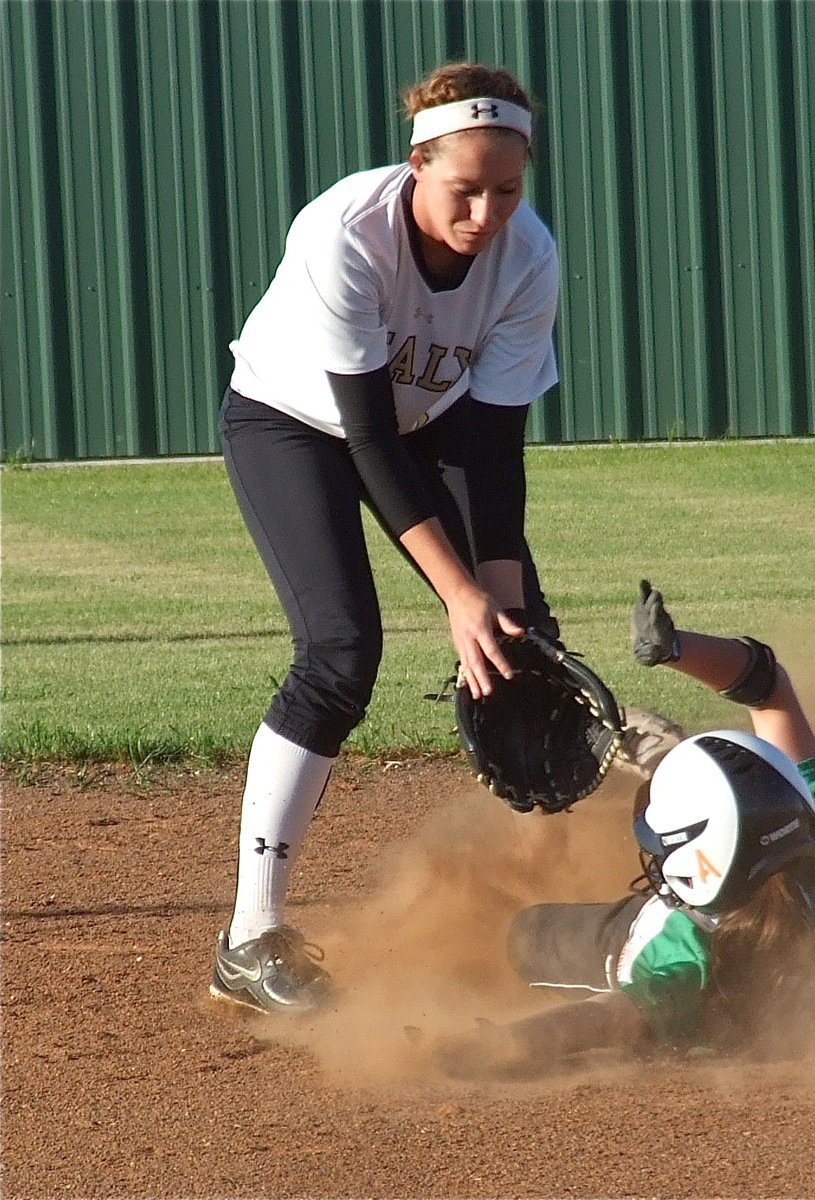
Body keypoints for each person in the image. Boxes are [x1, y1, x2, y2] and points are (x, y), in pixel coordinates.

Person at [210, 62, 563, 1016]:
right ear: (417, 166)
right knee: (339, 652)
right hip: (293, 423)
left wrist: (499, 598)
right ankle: (249, 940)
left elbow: (491, 448)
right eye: (466, 188)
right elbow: (365, 436)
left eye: (508, 188)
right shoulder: (346, 230)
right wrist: (456, 597)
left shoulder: (528, 256)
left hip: (435, 429)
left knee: (527, 646)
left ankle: (549, 902)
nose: (488, 212)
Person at [432, 581, 815, 1076]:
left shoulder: (683, 952)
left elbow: (601, 1019)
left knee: (523, 936)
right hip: (751, 903)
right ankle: (669, 762)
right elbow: (768, 687)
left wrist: (499, 1045)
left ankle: (664, 759)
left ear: (698, 872)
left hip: (629, 942)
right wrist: (674, 648)